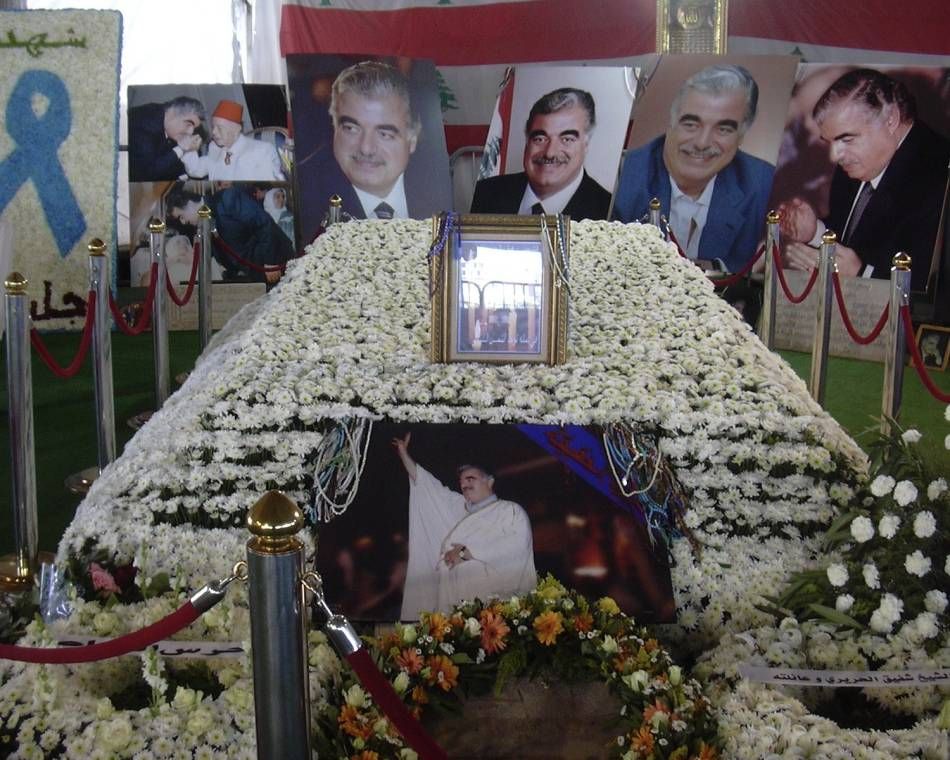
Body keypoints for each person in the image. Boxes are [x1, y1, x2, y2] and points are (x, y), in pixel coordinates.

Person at [778, 68, 950, 293]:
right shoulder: (857, 161)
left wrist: (863, 275)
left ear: (890, 119)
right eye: (829, 142)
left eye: (846, 139)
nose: (834, 156)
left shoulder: (939, 176)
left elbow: (936, 292)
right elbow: (861, 238)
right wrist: (816, 232)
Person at [612, 64, 774, 273]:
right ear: (670, 123)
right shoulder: (622, 176)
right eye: (691, 124)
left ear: (741, 135)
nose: (702, 143)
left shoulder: (763, 184)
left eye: (723, 129)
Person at [391, 433, 537, 620]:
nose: (464, 484)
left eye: (470, 479)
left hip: (493, 611)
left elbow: (515, 548)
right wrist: (404, 454)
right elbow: (428, 487)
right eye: (461, 481)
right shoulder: (459, 508)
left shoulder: (509, 511)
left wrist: (466, 552)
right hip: (452, 603)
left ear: (489, 481)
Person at [470, 87, 612, 220]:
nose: (550, 153)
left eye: (566, 139)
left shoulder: (607, 211)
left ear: (586, 143)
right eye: (540, 139)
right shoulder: (483, 194)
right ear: (527, 141)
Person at [316, 61, 422, 221]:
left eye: (384, 134)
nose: (366, 148)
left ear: (412, 140)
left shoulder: (437, 191)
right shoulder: (308, 199)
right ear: (334, 126)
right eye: (351, 129)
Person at [166, 183, 293, 285]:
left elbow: (264, 223)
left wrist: (270, 262)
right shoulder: (203, 225)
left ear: (189, 204)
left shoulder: (228, 198)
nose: (183, 222)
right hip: (258, 273)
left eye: (181, 216)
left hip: (277, 261)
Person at [181, 100, 285, 182]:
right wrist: (189, 148)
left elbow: (271, 184)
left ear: (237, 129)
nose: (214, 132)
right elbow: (195, 170)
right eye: (213, 127)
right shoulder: (215, 148)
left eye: (219, 127)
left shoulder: (261, 150)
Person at [128, 96, 205, 182]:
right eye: (188, 124)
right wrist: (181, 149)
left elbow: (166, 160)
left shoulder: (166, 122)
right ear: (172, 112)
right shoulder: (145, 126)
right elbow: (145, 175)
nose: (190, 132)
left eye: (194, 128)